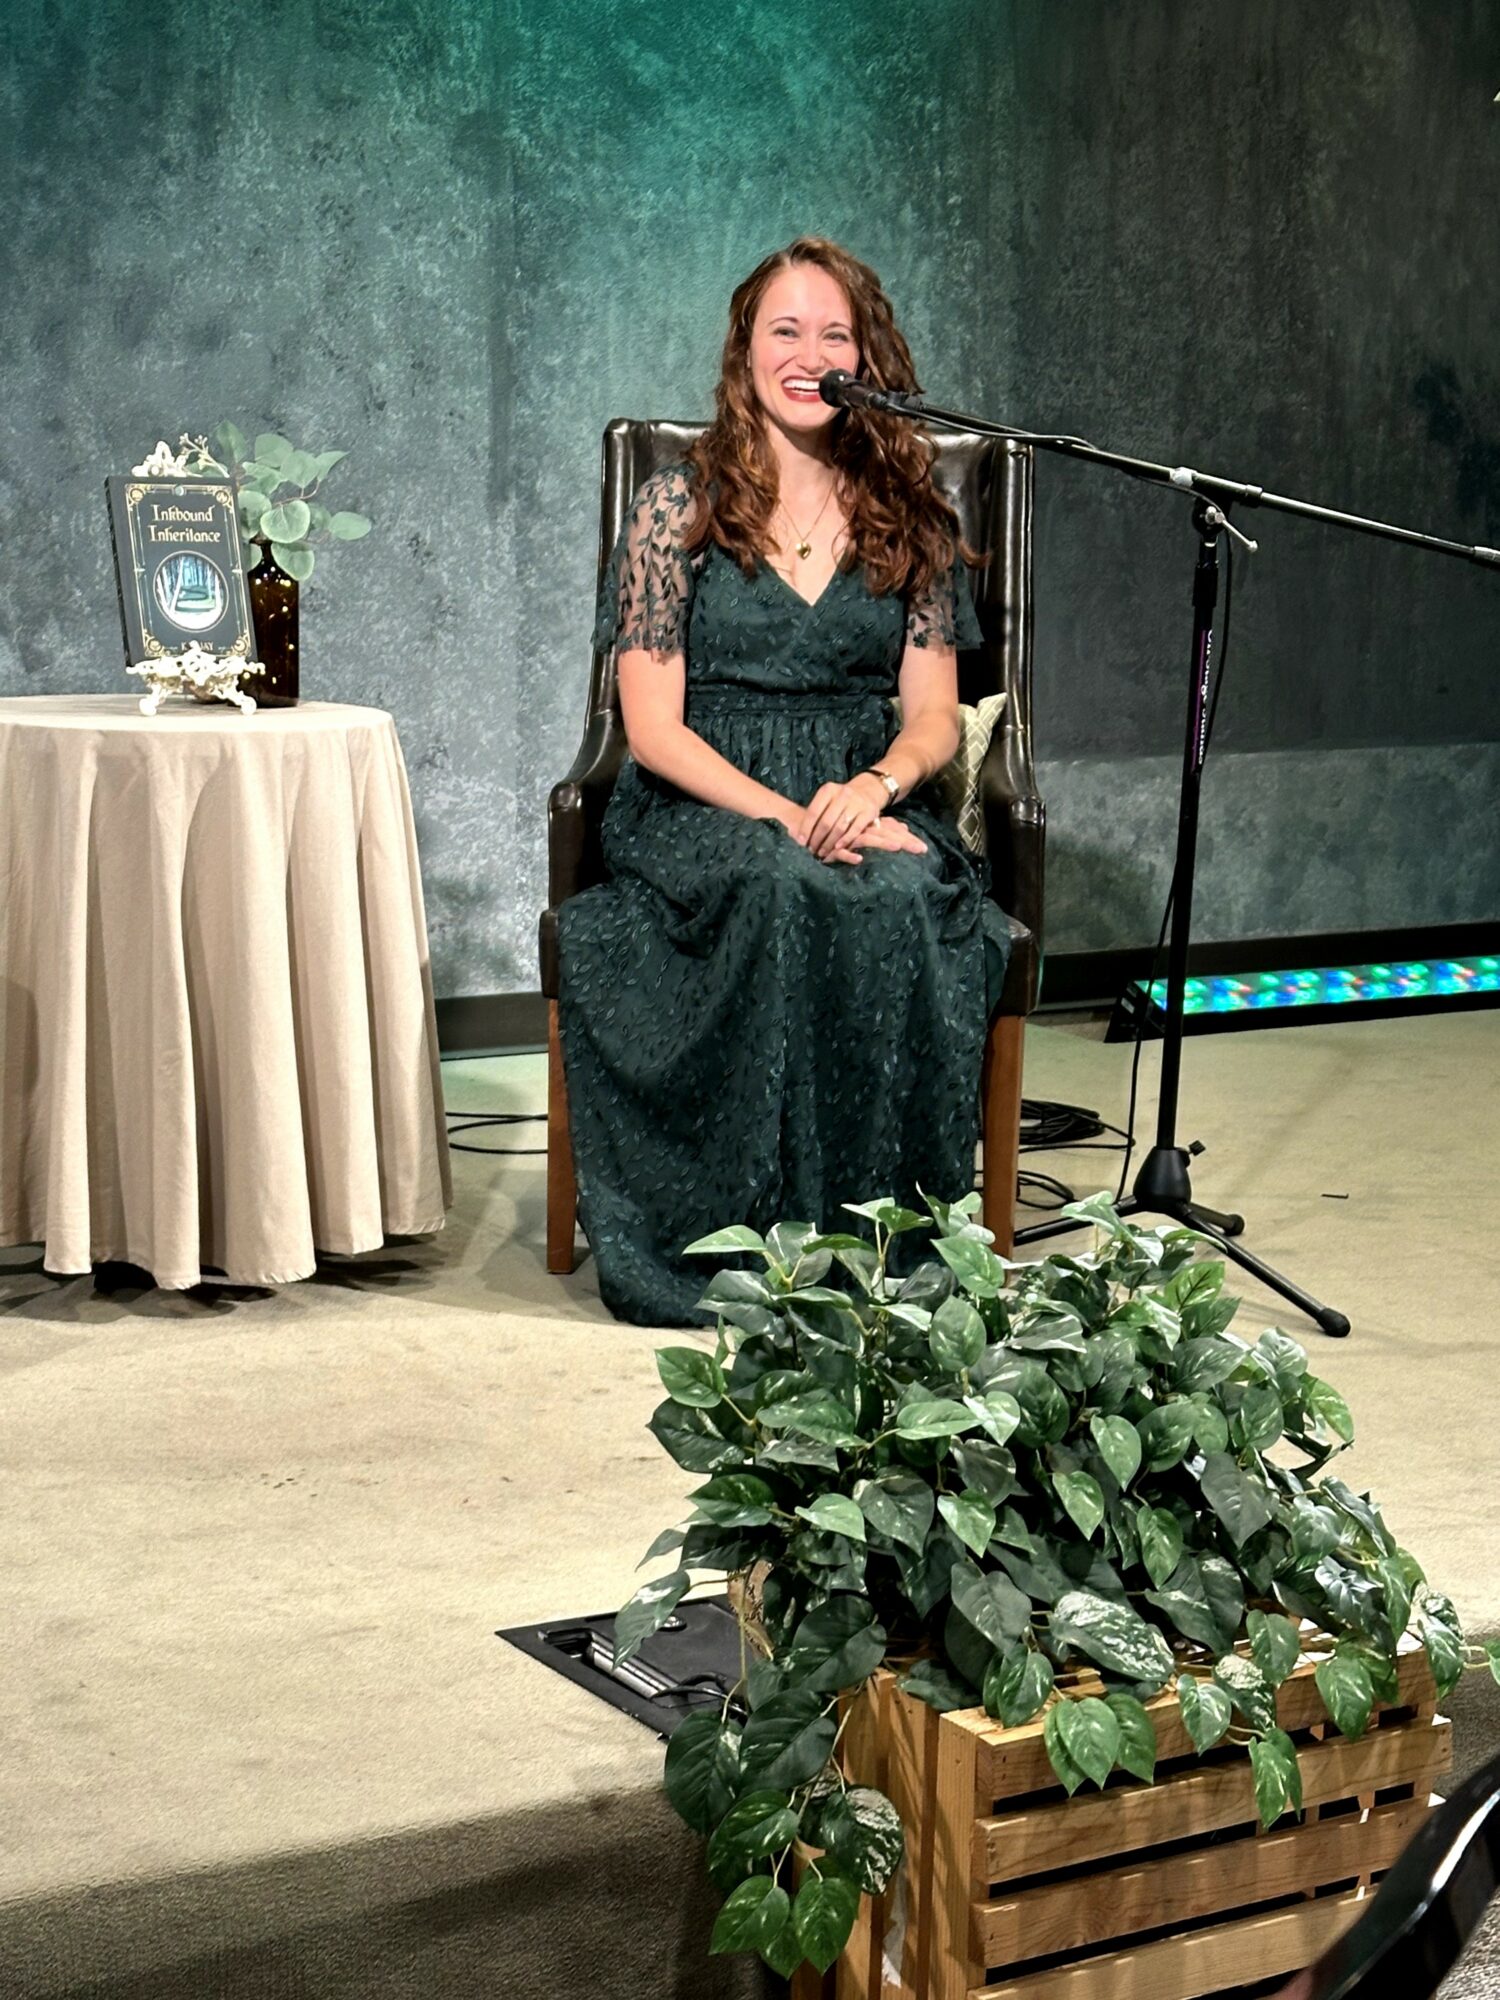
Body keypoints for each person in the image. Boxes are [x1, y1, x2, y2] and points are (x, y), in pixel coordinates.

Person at [557, 236, 1011, 1327]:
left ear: (869, 353)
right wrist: (789, 813)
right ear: (744, 350)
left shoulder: (913, 512)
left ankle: (879, 1249)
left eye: (834, 334)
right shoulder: (680, 507)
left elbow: (935, 714)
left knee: (904, 894)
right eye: (785, 332)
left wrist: (878, 786)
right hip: (707, 795)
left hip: (857, 784)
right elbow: (652, 727)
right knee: (778, 882)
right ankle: (750, 1247)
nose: (809, 355)